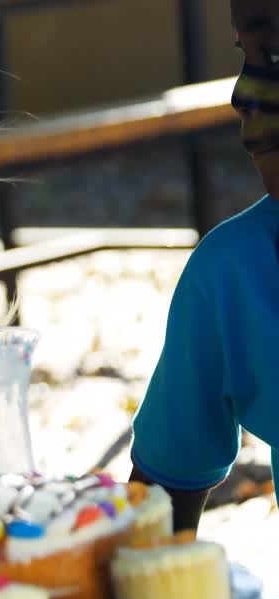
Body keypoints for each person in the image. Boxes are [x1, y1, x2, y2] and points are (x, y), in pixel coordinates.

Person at [129, 0, 279, 534]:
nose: (242, 94)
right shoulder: (234, 275)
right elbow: (155, 520)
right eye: (248, 54)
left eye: (276, 54)